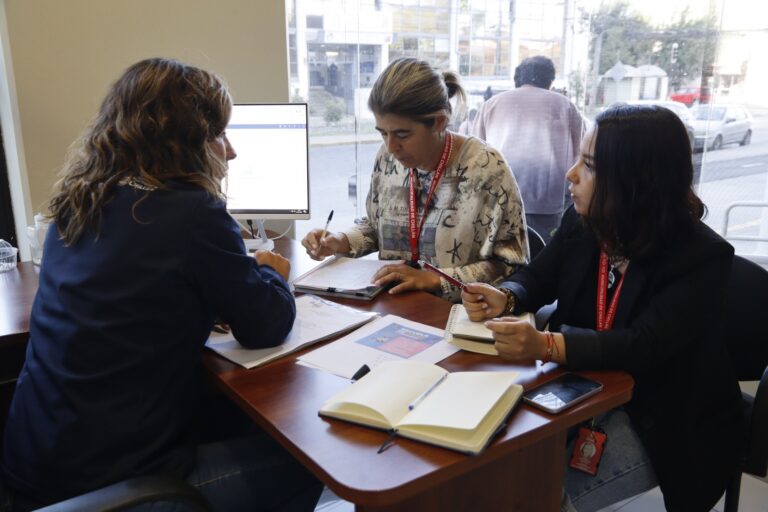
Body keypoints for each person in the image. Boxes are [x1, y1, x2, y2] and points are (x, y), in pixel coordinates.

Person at [0, 58, 322, 511]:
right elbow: (266, 325)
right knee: (306, 459)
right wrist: (271, 271)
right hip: (111, 488)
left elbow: (139, 298)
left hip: (35, 470)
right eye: (217, 135)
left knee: (234, 414)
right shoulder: (191, 214)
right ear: (183, 143)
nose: (230, 152)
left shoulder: (78, 202)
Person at [462, 105, 744, 511]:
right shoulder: (586, 222)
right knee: (491, 467)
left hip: (661, 414)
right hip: (580, 389)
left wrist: (545, 345)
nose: (570, 174)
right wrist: (507, 295)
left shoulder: (702, 257)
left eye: (589, 166)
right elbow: (539, 276)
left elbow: (643, 346)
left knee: (534, 495)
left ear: (635, 182)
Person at [302, 57, 529, 303]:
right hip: (393, 309)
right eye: (383, 133)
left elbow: (512, 267)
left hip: (458, 316)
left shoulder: (486, 169)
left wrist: (437, 280)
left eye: (402, 134)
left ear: (439, 122)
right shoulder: (389, 159)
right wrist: (342, 241)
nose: (391, 147)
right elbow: (376, 225)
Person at [472, 56, 585, 243]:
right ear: (550, 80)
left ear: (518, 78)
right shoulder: (565, 106)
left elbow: (476, 154)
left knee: (502, 252)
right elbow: (578, 155)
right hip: (548, 199)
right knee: (542, 255)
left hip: (499, 196)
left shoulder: (492, 104)